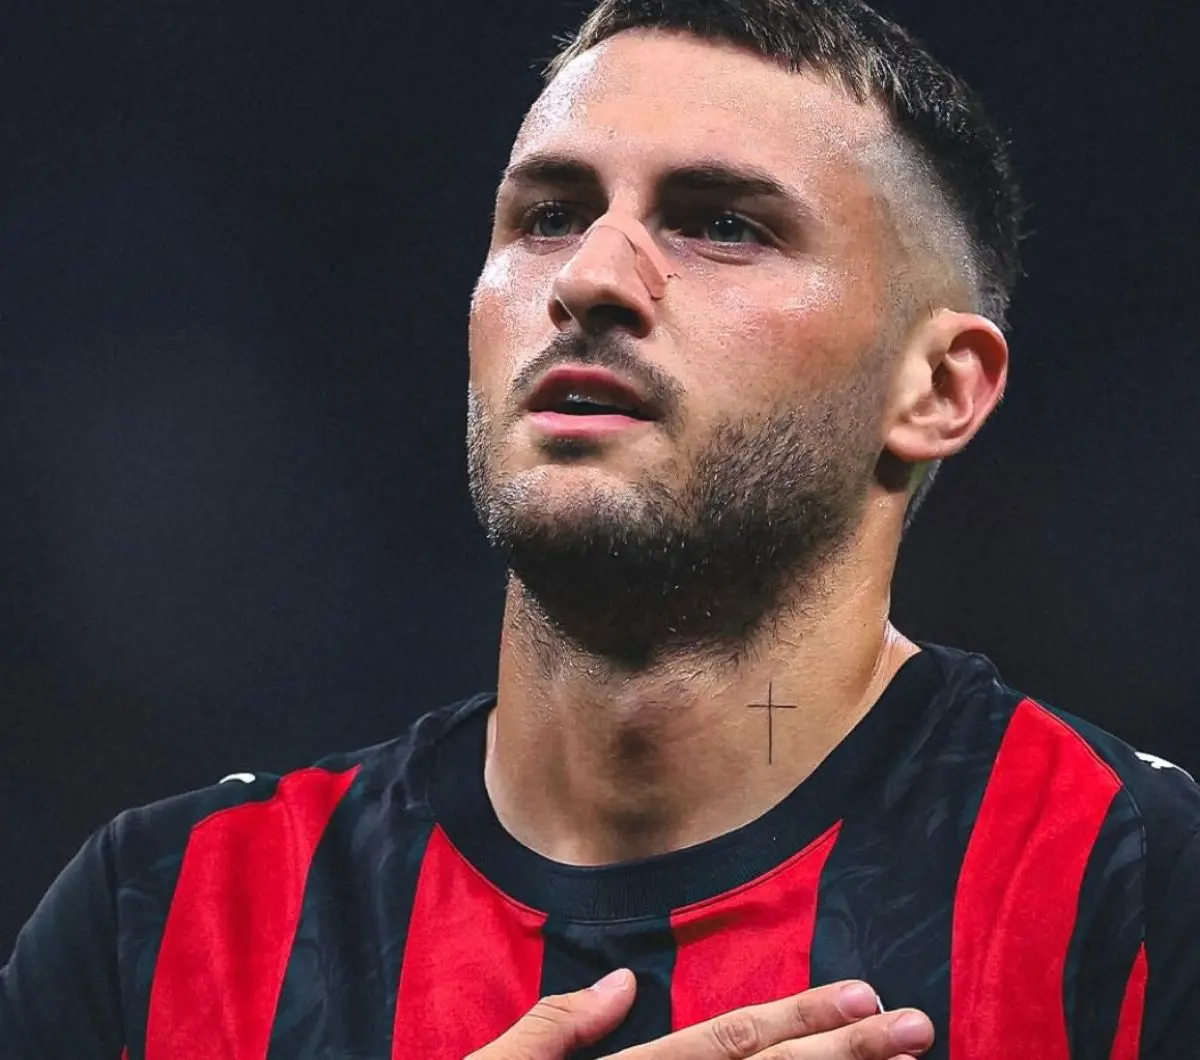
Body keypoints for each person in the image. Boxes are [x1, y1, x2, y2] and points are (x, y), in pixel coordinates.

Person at [3, 0, 1198, 1057]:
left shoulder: (1135, 888)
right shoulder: (163, 920)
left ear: (935, 387)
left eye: (722, 223)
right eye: (549, 213)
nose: (590, 275)